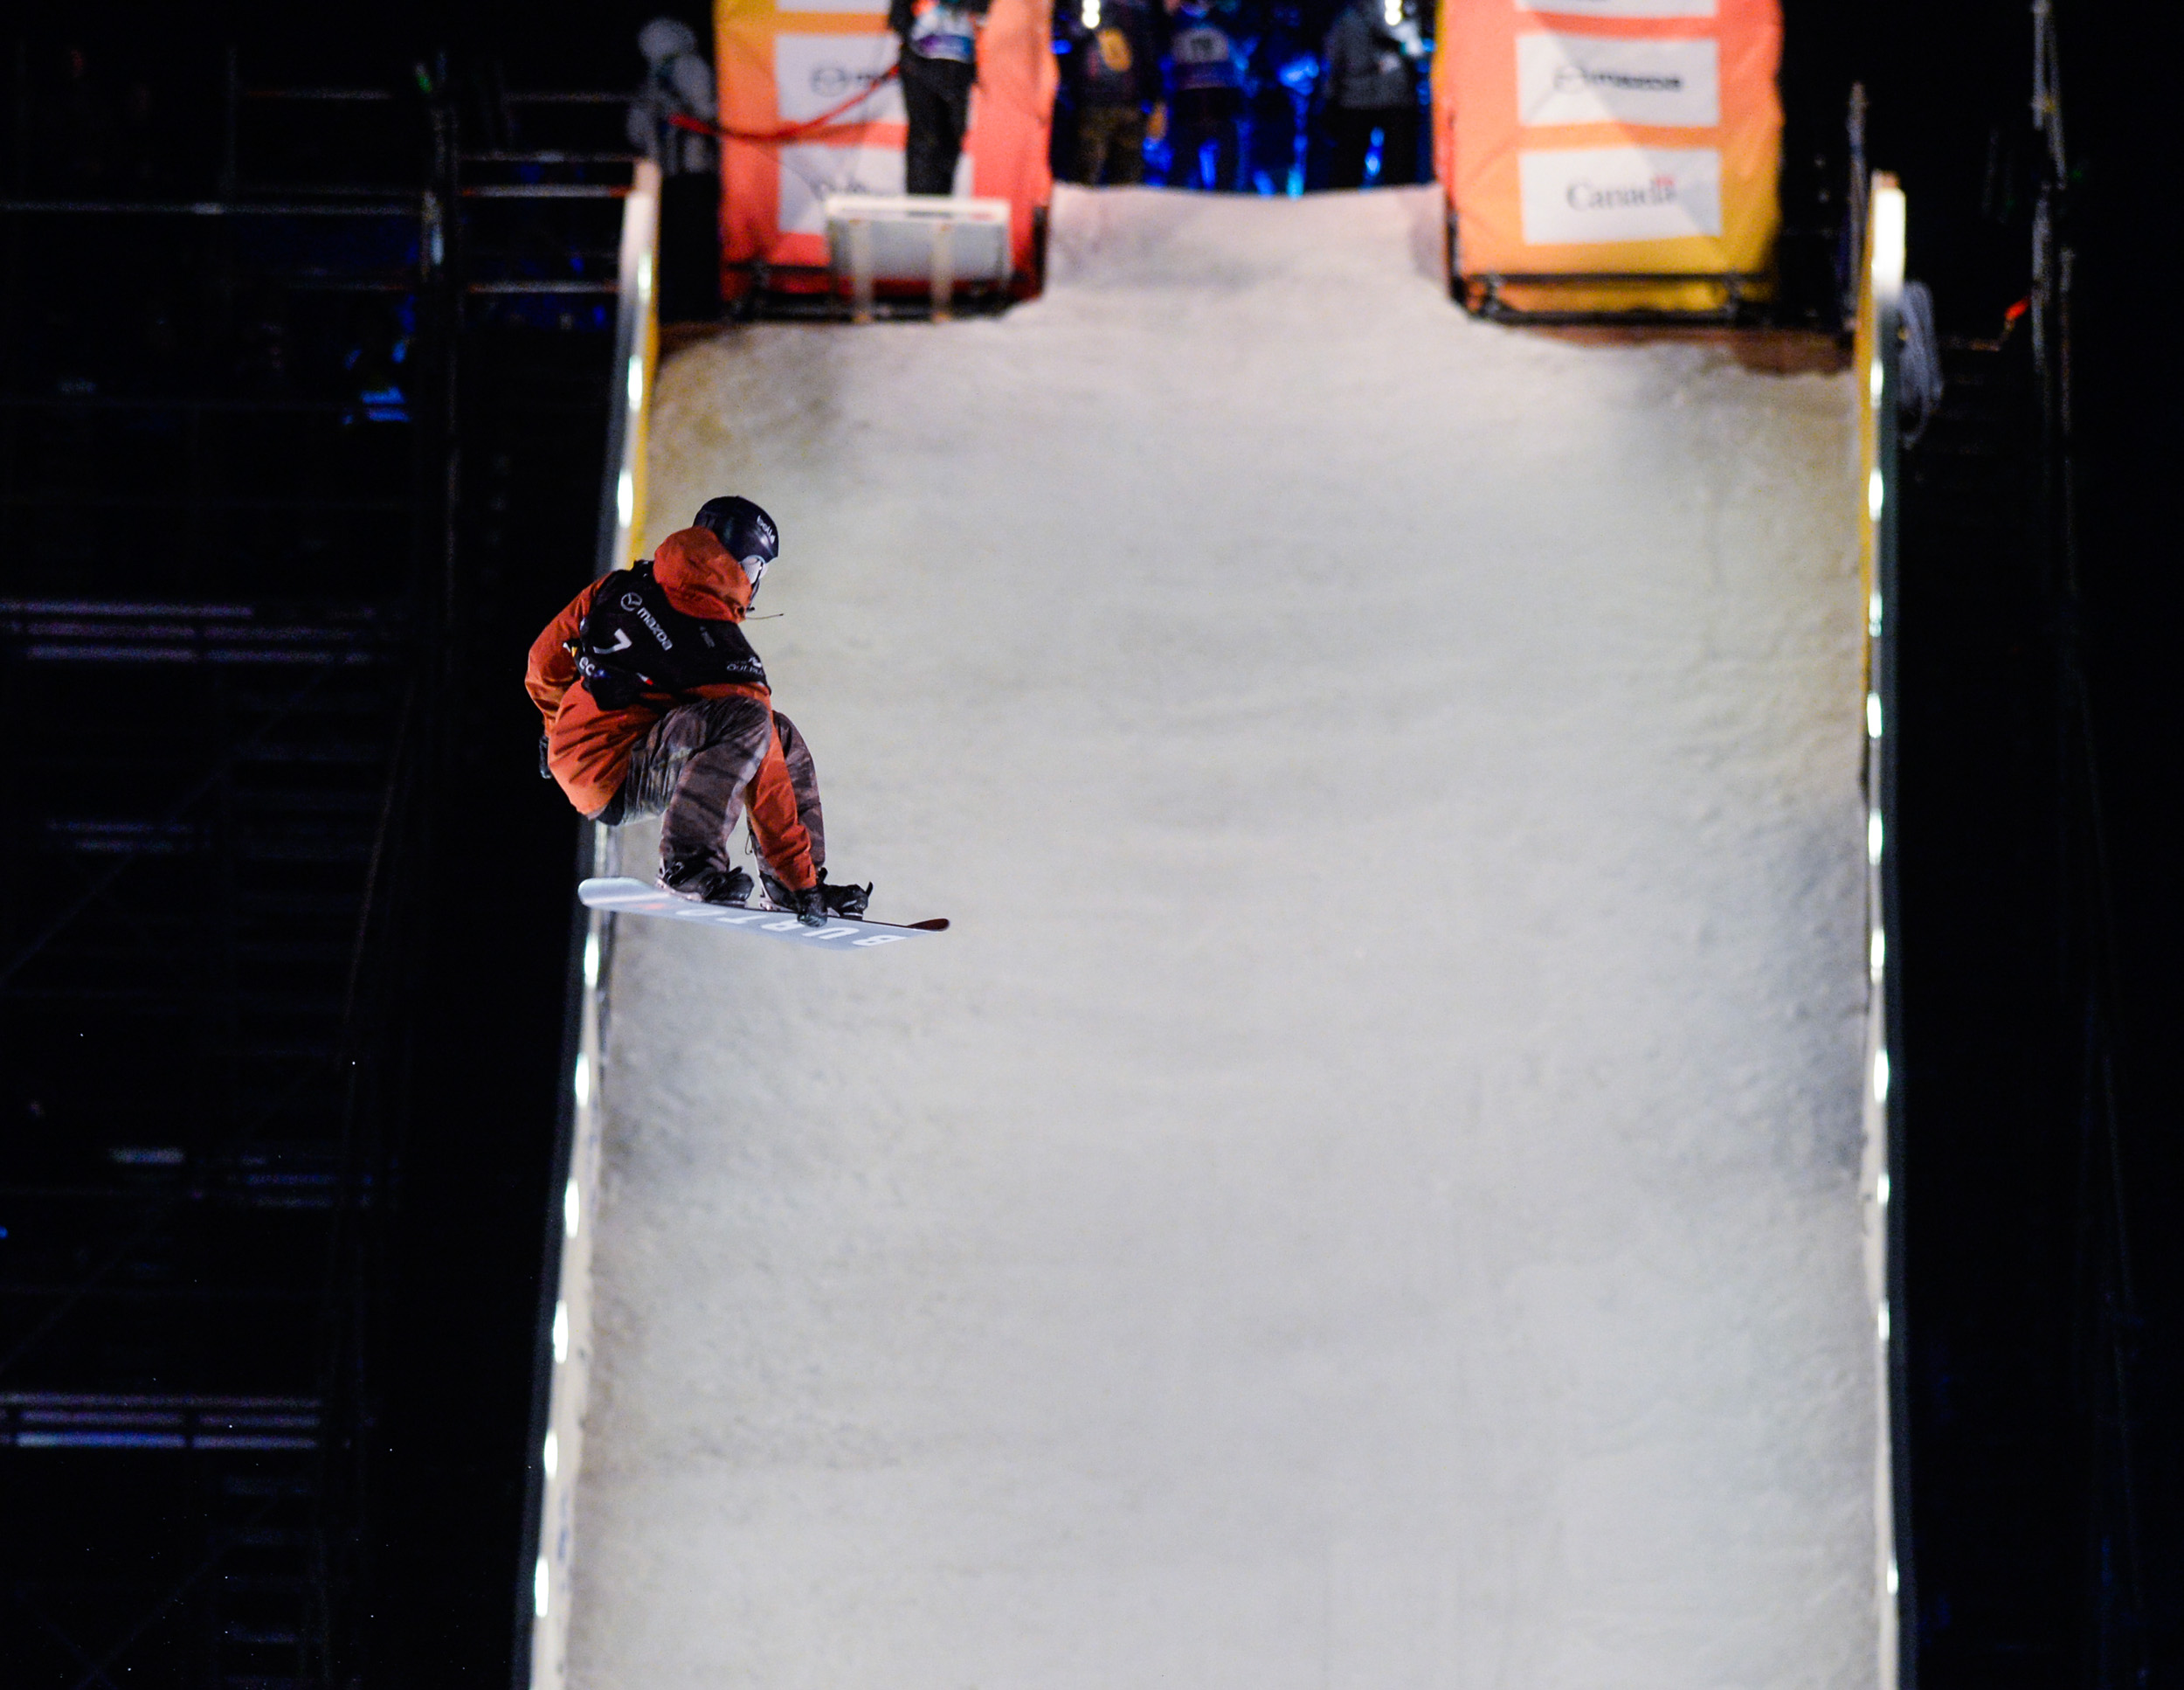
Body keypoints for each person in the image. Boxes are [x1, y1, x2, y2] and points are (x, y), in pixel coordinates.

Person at [526, 497, 869, 925]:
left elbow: (544, 662)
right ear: (747, 567)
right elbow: (768, 778)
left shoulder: (621, 587)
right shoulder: (729, 658)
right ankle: (690, 865)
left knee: (772, 729)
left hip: (578, 753)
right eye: (758, 570)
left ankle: (786, 883)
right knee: (756, 723)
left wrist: (554, 731)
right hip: (621, 777)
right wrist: (801, 881)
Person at [628, 18, 723, 321]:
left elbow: (635, 131)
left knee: (681, 244)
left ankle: (685, 308)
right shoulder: (687, 68)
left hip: (672, 174)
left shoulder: (652, 80)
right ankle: (698, 309)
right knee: (695, 243)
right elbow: (711, 111)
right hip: (692, 172)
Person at [888, 0, 992, 195]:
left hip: (959, 66)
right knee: (925, 139)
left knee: (952, 138)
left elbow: (983, 8)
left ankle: (942, 204)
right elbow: (898, 17)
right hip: (920, 65)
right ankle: (920, 206)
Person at [1320, 0, 1422, 190]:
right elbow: (1334, 60)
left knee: (1398, 172)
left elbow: (1417, 50)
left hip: (1390, 99)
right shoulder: (1349, 17)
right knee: (1349, 170)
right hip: (1360, 99)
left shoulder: (1401, 11)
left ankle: (1394, 205)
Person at [1069, 0, 1167, 186]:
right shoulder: (1087, 5)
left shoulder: (1139, 10)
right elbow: (1073, 36)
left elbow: (1150, 56)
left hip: (1130, 104)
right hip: (1093, 105)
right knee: (1087, 175)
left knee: (1128, 179)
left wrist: (1157, 101)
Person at [1164, 0, 1243, 190]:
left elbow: (1245, 45)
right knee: (1181, 172)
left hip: (1223, 103)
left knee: (1227, 175)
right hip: (1187, 105)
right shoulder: (1172, 22)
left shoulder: (1227, 19)